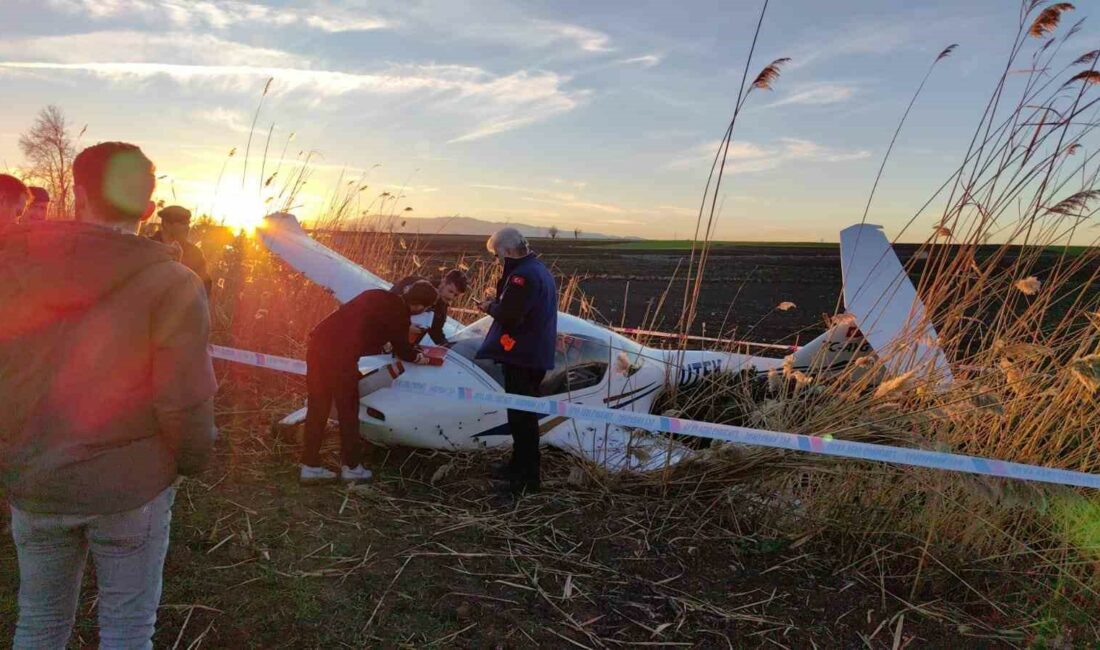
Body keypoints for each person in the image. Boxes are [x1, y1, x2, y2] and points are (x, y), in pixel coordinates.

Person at [0, 142, 218, 649]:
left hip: (35, 480)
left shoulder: (11, 270)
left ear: (76, 195)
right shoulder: (174, 283)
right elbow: (184, 398)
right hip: (132, 487)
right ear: (148, 208)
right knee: (127, 628)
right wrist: (190, 460)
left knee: (40, 621)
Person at [300, 280, 439, 484]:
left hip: (317, 344)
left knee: (317, 407)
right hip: (341, 356)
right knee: (348, 410)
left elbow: (359, 328)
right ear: (419, 306)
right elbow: (404, 352)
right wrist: (422, 358)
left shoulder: (376, 294)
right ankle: (352, 467)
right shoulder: (400, 314)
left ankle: (309, 466)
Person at [476, 227, 557, 494]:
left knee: (522, 416)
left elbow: (511, 316)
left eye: (498, 256)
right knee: (520, 413)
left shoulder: (522, 276)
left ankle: (527, 478)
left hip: (523, 355)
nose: (498, 261)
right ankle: (517, 465)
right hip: (533, 353)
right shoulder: (539, 269)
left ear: (508, 251)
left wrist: (489, 307)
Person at [391, 268, 469, 345]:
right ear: (444, 282)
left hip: (403, 346)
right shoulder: (415, 284)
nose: (451, 297)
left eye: (456, 295)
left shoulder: (441, 308)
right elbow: (388, 305)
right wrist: (405, 326)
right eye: (450, 291)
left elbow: (436, 331)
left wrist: (447, 346)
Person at [150, 205, 213, 296]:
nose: (188, 228)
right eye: (183, 224)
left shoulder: (194, 253)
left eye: (188, 224)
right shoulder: (149, 247)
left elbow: (204, 286)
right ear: (167, 224)